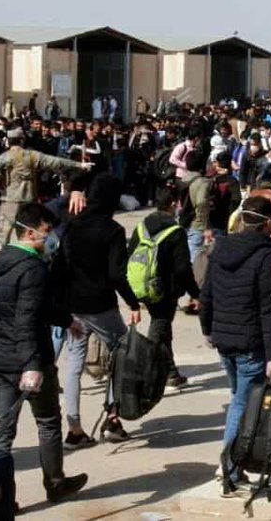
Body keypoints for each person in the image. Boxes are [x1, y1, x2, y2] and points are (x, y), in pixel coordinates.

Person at [0, 203, 88, 505]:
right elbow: (26, 318)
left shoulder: (5, 261)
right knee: (47, 422)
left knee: (3, 429)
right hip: (28, 360)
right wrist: (32, 365)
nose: (50, 236)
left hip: (0, 358)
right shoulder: (33, 269)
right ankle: (55, 483)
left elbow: (36, 307)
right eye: (46, 231)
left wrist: (67, 321)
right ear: (29, 232)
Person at [201, 196, 271, 494]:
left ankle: (230, 461)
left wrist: (207, 328)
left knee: (238, 398)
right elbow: (269, 310)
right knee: (242, 404)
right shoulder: (268, 258)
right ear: (270, 224)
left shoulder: (220, 248)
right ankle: (230, 467)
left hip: (224, 338)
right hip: (250, 342)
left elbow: (207, 293)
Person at [61, 174, 143, 449]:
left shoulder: (72, 225)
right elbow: (117, 274)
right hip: (101, 304)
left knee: (74, 363)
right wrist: (132, 302)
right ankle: (113, 417)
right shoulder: (113, 230)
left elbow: (62, 263)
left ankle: (74, 427)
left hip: (73, 303)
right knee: (121, 355)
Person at [0, 127, 91, 247]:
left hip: (10, 203)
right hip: (30, 203)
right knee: (31, 238)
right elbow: (56, 162)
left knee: (2, 240)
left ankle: (1, 263)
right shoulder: (33, 156)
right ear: (22, 140)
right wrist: (79, 165)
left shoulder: (4, 158)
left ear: (8, 141)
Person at [129, 189, 199, 389]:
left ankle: (170, 372)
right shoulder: (174, 231)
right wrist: (196, 294)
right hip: (165, 290)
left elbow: (130, 256)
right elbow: (183, 268)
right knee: (159, 329)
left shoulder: (141, 228)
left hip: (142, 285)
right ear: (173, 204)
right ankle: (148, 373)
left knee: (164, 329)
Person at [179, 150, 214, 262]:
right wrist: (206, 227)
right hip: (197, 224)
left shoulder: (182, 180)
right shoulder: (202, 182)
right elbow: (201, 202)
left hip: (183, 220)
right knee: (195, 258)